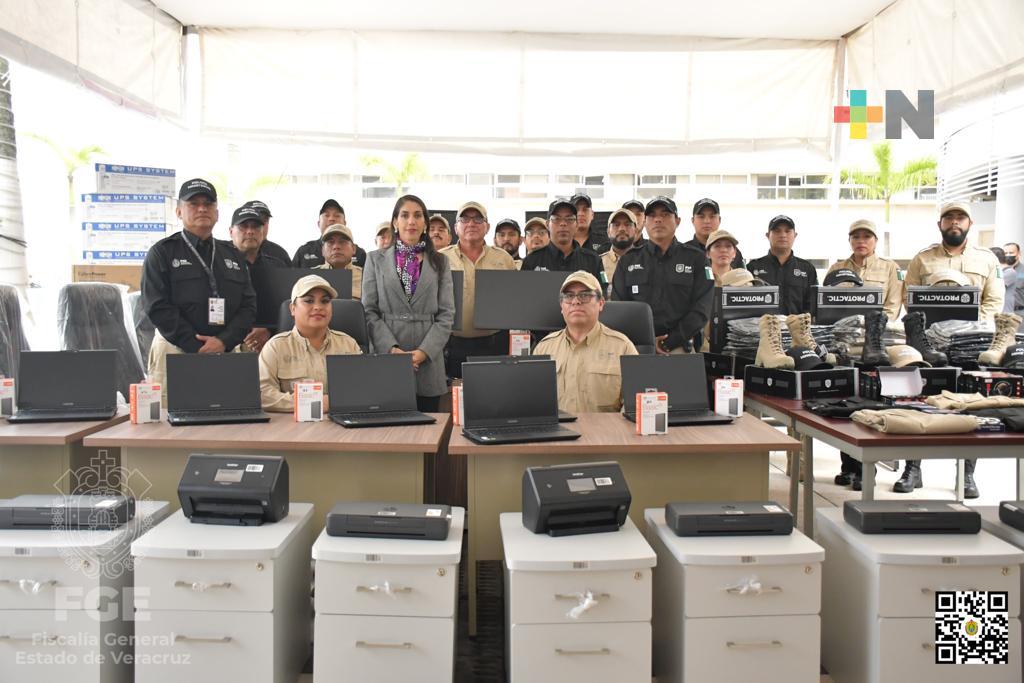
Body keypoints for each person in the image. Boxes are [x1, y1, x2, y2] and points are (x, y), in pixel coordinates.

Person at [898, 201, 1005, 498]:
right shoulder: (923, 258)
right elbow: (910, 298)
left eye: (960, 218)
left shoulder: (985, 259)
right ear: (940, 224)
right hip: (927, 346)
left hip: (970, 345)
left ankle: (967, 474)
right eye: (949, 218)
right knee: (916, 399)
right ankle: (912, 468)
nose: (954, 223)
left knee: (970, 403)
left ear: (969, 224)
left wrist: (966, 333)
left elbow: (994, 302)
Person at [140, 178, 257, 392]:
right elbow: (156, 306)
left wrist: (223, 342)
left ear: (217, 213)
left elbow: (248, 306)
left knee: (228, 416)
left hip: (226, 351)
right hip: (175, 350)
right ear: (178, 212)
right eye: (193, 203)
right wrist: (198, 347)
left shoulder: (232, 254)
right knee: (170, 421)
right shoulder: (162, 253)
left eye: (208, 203)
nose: (202, 208)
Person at [362, 194, 455, 412]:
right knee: (389, 433)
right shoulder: (375, 259)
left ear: (425, 223)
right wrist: (392, 350)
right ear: (395, 222)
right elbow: (369, 311)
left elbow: (447, 314)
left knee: (427, 434)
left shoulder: (440, 262)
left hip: (427, 359)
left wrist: (422, 353)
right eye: (404, 215)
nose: (411, 221)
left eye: (417, 216)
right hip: (387, 356)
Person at [611, 196, 713, 354]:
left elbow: (702, 308)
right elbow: (620, 308)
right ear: (644, 222)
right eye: (652, 215)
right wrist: (646, 341)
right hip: (636, 346)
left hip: (678, 346)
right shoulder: (628, 260)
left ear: (677, 221)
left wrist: (669, 342)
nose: (658, 219)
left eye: (665, 214)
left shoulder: (696, 259)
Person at [534, 271, 638, 413]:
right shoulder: (544, 349)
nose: (576, 301)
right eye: (569, 296)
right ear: (561, 306)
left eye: (585, 295)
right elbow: (535, 404)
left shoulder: (622, 347)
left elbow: (636, 405)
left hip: (606, 433)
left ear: (601, 303)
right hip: (558, 433)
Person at [258, 275, 361, 412]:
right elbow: (262, 395)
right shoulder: (276, 347)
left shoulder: (348, 344)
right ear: (292, 308)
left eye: (325, 301)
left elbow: (363, 390)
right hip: (292, 428)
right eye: (308, 301)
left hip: (342, 426)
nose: (318, 307)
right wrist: (311, 403)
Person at [439, 202, 516, 377]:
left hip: (494, 344)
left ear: (487, 227)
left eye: (478, 219)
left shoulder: (503, 259)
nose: (471, 224)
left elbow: (512, 302)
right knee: (455, 397)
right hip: (452, 344)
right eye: (465, 219)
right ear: (456, 227)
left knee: (493, 394)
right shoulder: (440, 258)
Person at [228, 204, 288, 353]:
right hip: (230, 344)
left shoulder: (278, 265)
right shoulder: (218, 263)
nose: (250, 232)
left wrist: (269, 330)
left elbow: (287, 308)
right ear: (231, 231)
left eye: (256, 227)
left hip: (273, 344)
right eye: (243, 227)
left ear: (263, 232)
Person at [826, 219, 902, 320]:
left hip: (878, 332)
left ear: (876, 241)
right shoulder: (836, 268)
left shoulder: (891, 268)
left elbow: (892, 308)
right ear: (849, 240)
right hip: (841, 331)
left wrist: (874, 327)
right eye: (856, 237)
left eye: (867, 236)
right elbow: (826, 305)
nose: (861, 241)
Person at [747, 215, 818, 315]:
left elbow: (813, 307)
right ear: (768, 235)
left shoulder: (807, 269)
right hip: (763, 329)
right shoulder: (752, 268)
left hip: (798, 329)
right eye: (777, 231)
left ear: (795, 235)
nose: (783, 235)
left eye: (787, 231)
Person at [521, 199, 604, 281]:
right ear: (547, 225)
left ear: (577, 225)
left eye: (569, 219)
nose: (563, 223)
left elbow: (604, 289)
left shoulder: (594, 261)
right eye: (556, 219)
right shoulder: (531, 261)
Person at [291, 199, 366, 268]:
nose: (331, 219)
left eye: (337, 216)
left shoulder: (359, 254)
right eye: (326, 215)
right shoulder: (304, 251)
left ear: (344, 223)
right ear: (318, 223)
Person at [684, 198, 745, 268]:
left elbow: (744, 277)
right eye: (701, 217)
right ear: (693, 220)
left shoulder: (732, 252)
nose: (707, 221)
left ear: (719, 220)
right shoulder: (683, 252)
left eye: (712, 216)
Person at [312, 223, 363, 299]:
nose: (336, 247)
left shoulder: (366, 277)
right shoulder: (310, 276)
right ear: (322, 250)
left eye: (342, 242)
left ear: (353, 249)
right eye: (330, 242)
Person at [242, 200, 291, 265]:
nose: (261, 225)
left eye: (265, 220)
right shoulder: (227, 253)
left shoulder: (280, 254)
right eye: (256, 220)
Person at [601, 208, 640, 284]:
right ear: (608, 231)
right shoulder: (599, 263)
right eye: (616, 225)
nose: (622, 229)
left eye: (627, 224)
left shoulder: (647, 261)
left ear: (636, 231)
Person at [990, 246, 1017, 314]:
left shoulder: (1010, 272)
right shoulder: (996, 270)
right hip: (995, 312)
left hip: (1004, 314)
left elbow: (994, 286)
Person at [1005, 243, 1024, 316]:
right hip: (1003, 313)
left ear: (1019, 253)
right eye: (1006, 253)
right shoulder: (999, 270)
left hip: (1019, 313)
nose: (1008, 255)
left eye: (1011, 252)